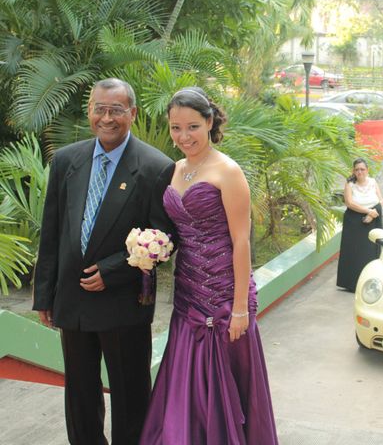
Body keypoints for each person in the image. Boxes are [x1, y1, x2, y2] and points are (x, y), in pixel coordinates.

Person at [32, 78, 176, 445]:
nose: (107, 118)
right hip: (73, 301)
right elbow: (52, 233)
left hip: (123, 304)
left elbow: (163, 240)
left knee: (130, 395)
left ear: (132, 113)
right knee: (79, 394)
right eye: (100, 108)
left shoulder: (156, 167)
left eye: (116, 109)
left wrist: (112, 272)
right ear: (89, 111)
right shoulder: (67, 160)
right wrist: (44, 295)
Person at [140, 87, 278, 444]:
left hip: (223, 295)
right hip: (188, 294)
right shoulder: (175, 170)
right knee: (185, 381)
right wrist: (151, 249)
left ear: (209, 122)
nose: (183, 137)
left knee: (224, 386)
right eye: (175, 128)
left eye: (192, 127)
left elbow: (241, 241)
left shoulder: (228, 171)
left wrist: (238, 309)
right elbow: (176, 231)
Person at [336, 158, 383, 293]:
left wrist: (371, 214)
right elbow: (349, 203)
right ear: (353, 171)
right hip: (354, 222)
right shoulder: (350, 184)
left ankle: (369, 283)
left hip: (372, 220)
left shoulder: (373, 182)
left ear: (367, 170)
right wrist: (368, 211)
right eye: (357, 169)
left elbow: (380, 200)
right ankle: (351, 283)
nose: (359, 172)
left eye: (362, 169)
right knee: (354, 252)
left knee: (370, 252)